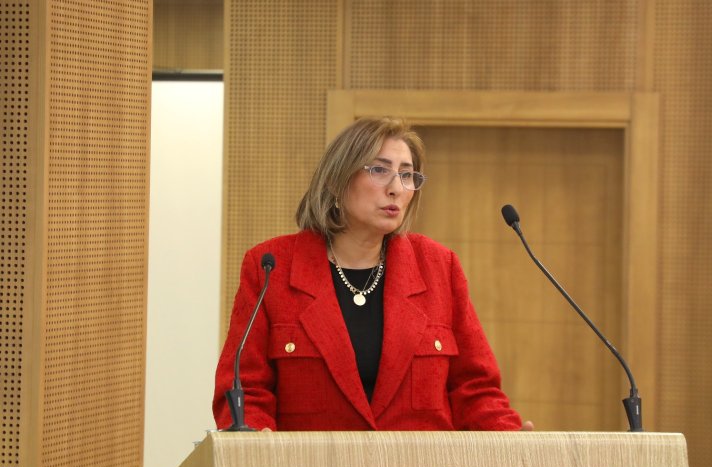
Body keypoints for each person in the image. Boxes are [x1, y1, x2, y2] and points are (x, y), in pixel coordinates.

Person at [213, 117, 532, 432]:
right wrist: (253, 442)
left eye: (407, 175)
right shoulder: (272, 267)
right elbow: (245, 390)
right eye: (380, 170)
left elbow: (474, 390)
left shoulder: (438, 266)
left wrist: (510, 440)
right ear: (336, 180)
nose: (396, 188)